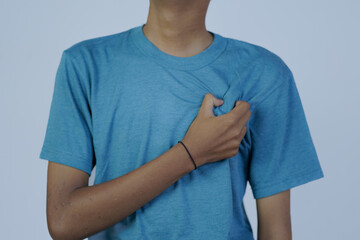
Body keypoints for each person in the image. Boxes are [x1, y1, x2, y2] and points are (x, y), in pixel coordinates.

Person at [39, 0, 324, 239]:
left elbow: (276, 229)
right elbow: (63, 221)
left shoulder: (265, 74)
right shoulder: (85, 65)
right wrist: (190, 154)